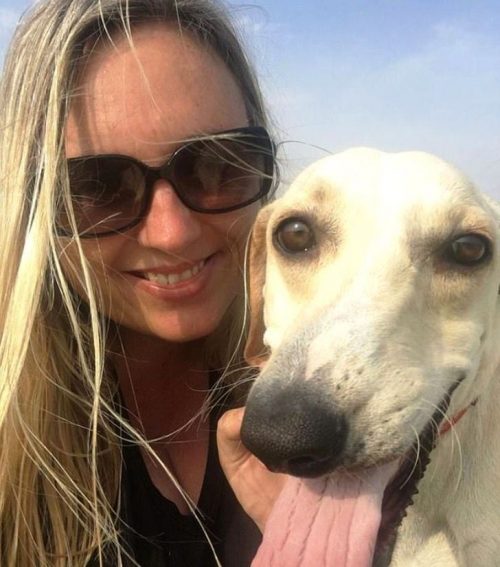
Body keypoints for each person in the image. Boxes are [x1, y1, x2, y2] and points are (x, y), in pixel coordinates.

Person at [0, 0, 285, 565]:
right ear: (31, 205)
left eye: (218, 164)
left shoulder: (339, 398)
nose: (173, 234)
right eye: (99, 187)